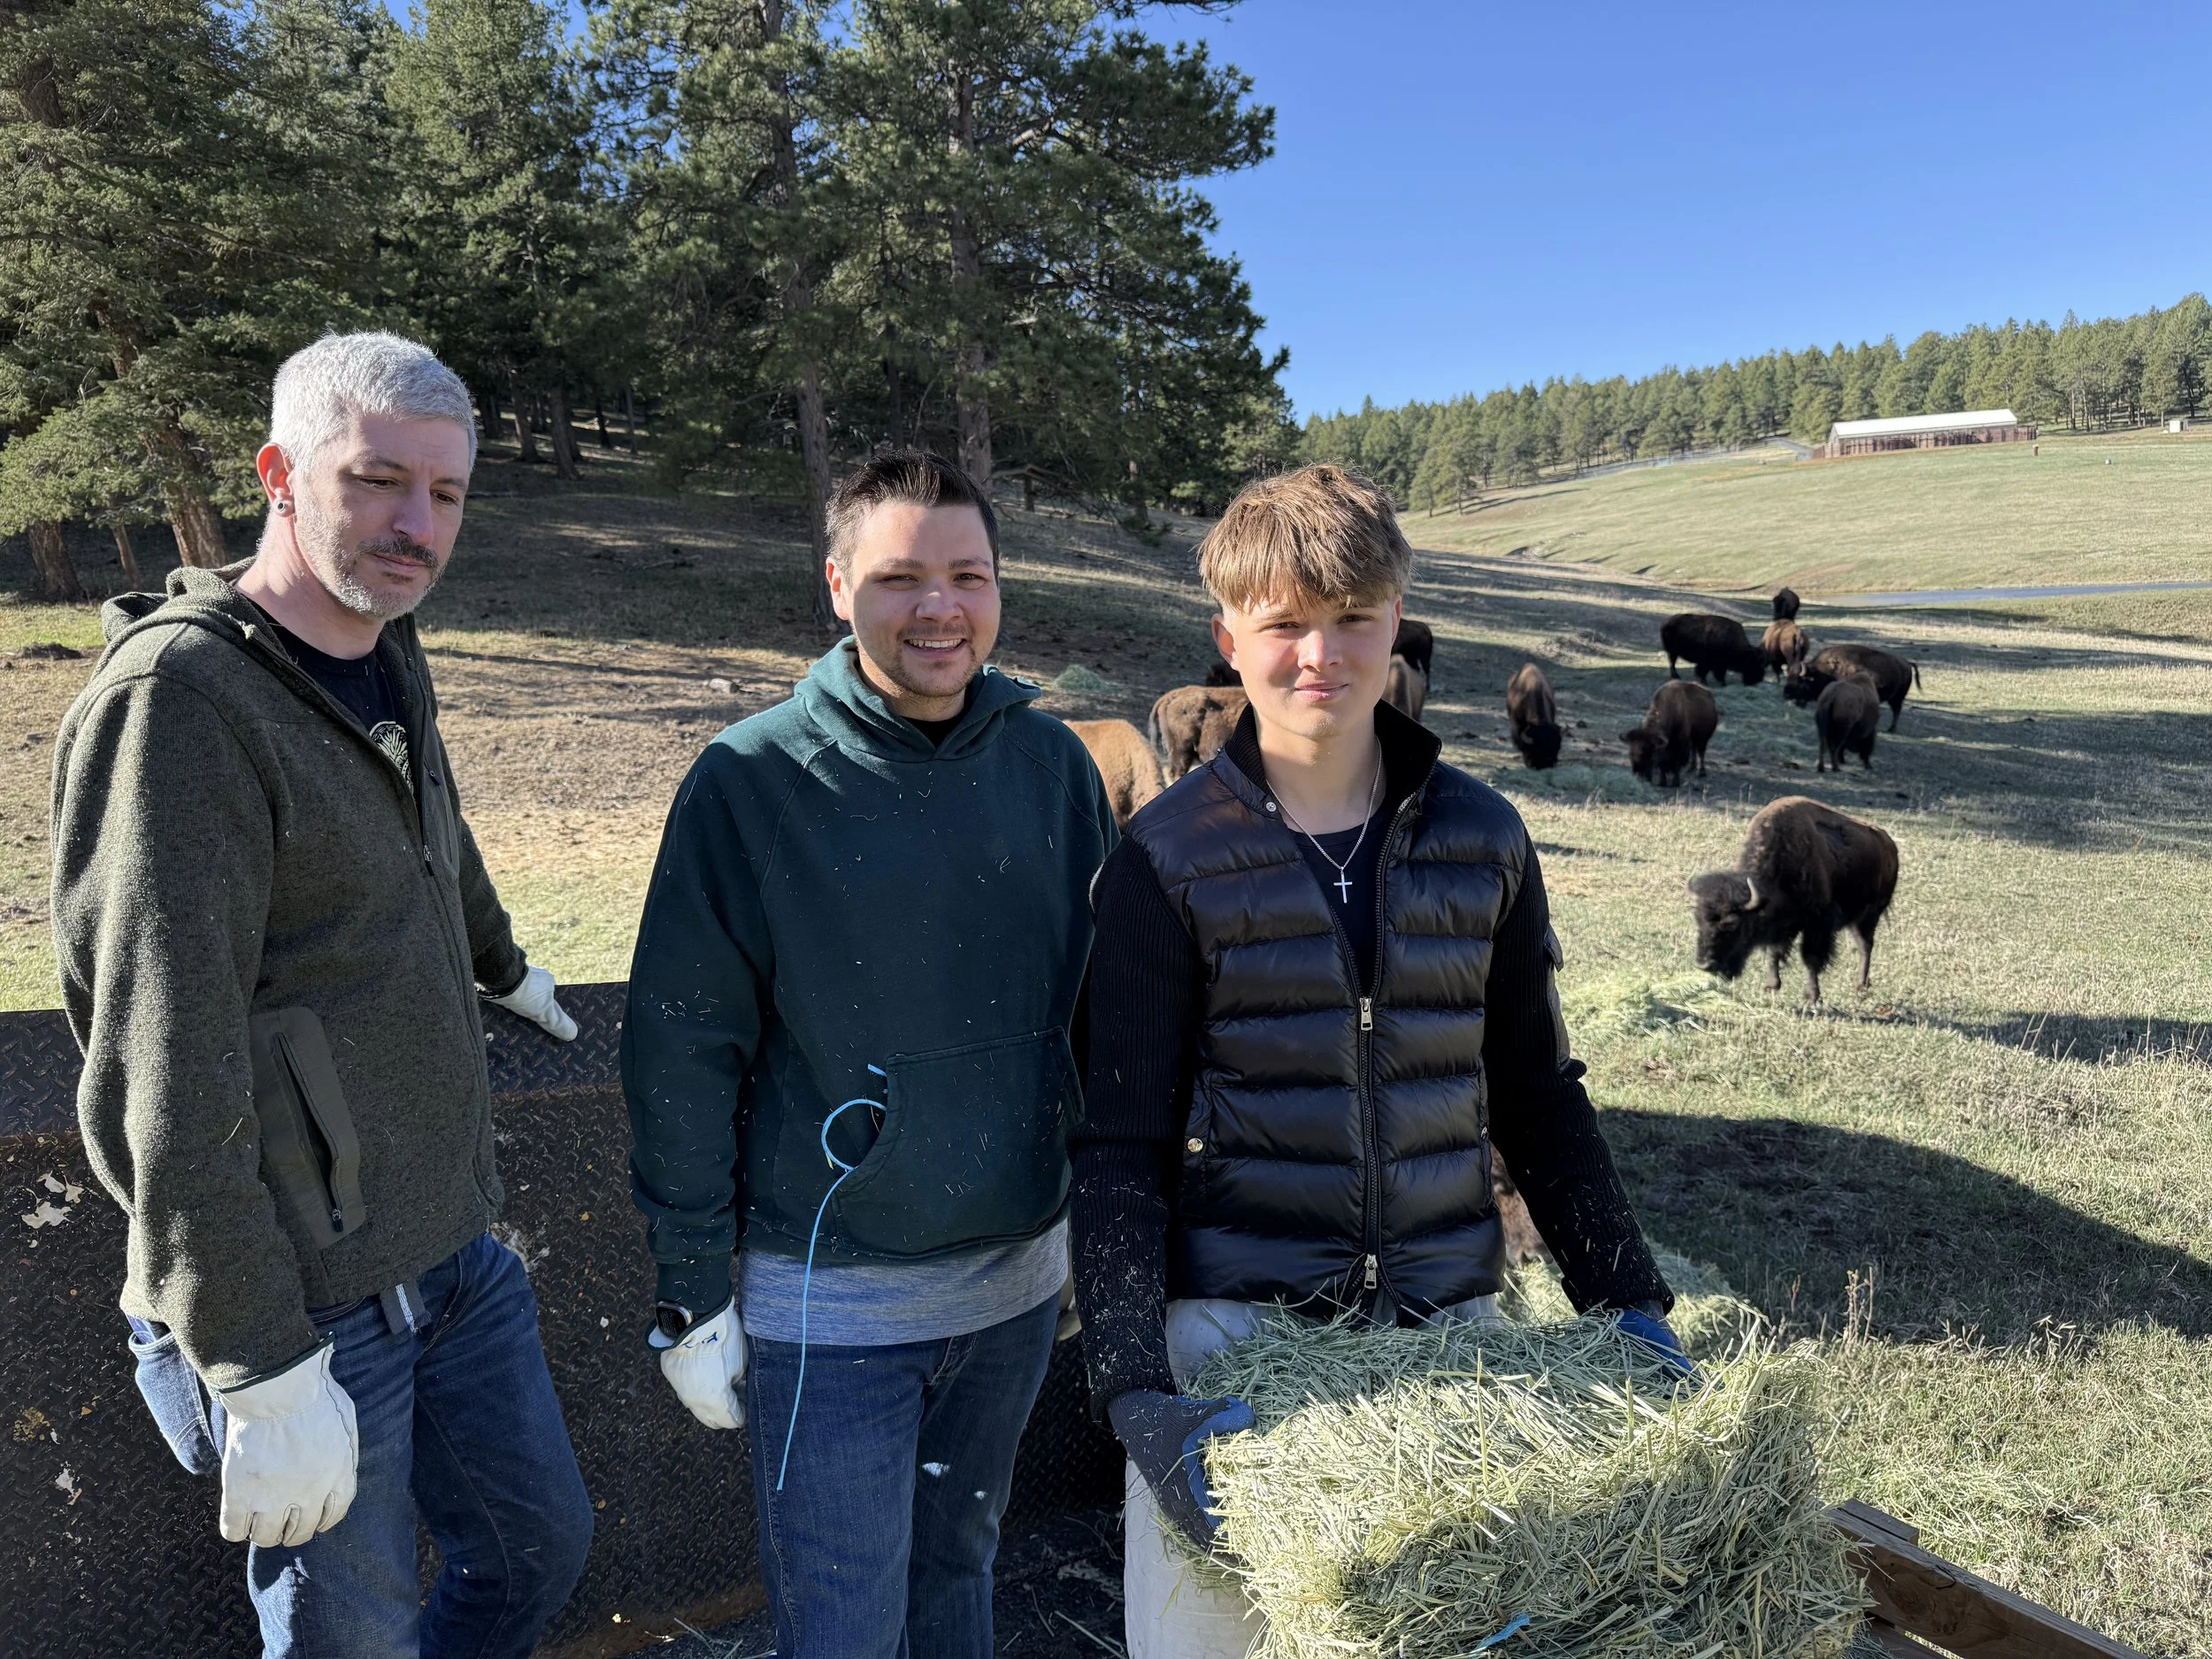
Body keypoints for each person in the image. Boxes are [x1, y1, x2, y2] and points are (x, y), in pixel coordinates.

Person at [1069, 465, 1685, 1658]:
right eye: (1286, 623)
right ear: (1227, 637)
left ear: (1397, 621)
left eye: (1353, 618)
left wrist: (1630, 1297)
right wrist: (1140, 1388)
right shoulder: (1163, 857)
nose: (1321, 655)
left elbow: (1540, 1098)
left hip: (1449, 1339)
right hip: (1239, 1352)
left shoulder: (1484, 838)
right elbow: (1118, 1148)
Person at [50, 332, 593, 1658]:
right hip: (301, 1305)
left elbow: (434, 835)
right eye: (378, 480)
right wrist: (254, 1359)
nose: (418, 524)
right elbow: (154, 1073)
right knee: (354, 1638)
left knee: (541, 1552)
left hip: (452, 1251)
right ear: (280, 474)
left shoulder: (385, 646)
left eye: (447, 493)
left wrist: (502, 959)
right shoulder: (181, 706)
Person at [622, 449, 1117, 1659]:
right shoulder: (751, 781)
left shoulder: (1054, 770)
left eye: (968, 574)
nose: (939, 607)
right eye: (900, 577)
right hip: (830, 1307)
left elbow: (1102, 1013)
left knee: (960, 1582)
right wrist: (691, 1281)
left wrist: (1082, 1229)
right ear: (838, 585)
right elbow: (682, 1042)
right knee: (841, 1626)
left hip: (1009, 1291)